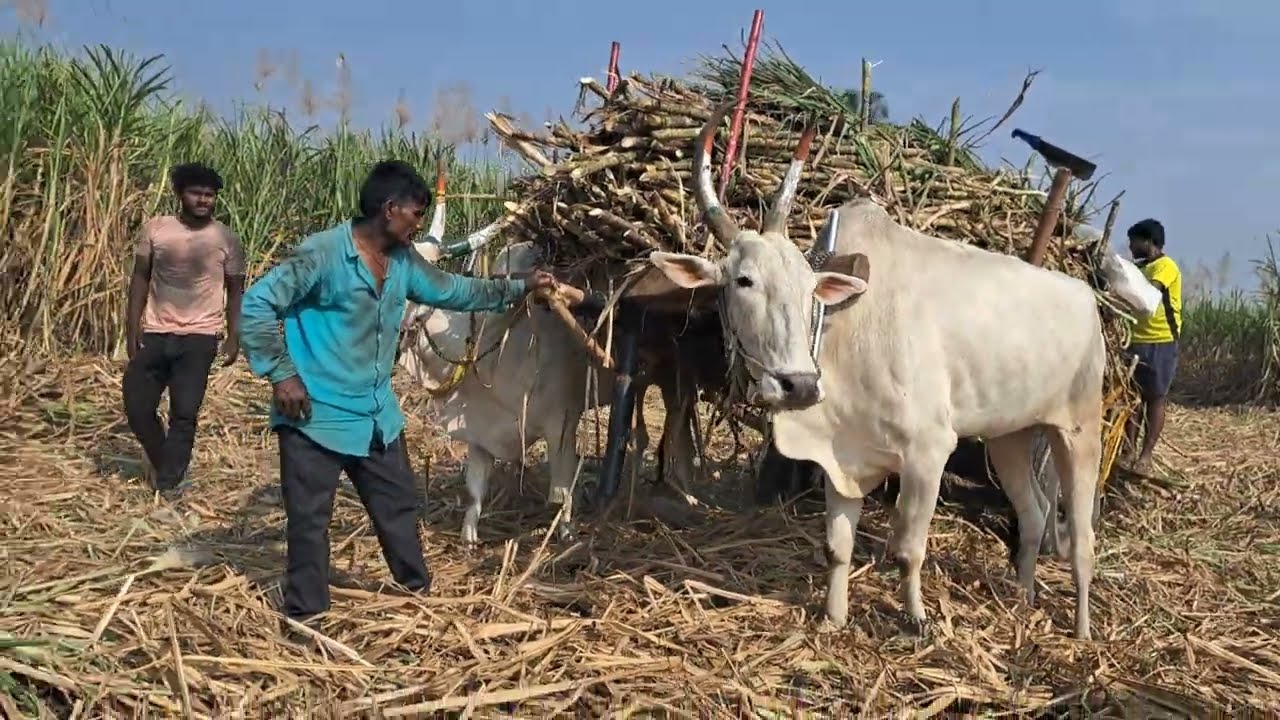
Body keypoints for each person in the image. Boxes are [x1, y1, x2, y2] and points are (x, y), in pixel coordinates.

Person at [238, 159, 560, 631]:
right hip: (315, 414)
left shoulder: (404, 263)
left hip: (375, 415)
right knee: (309, 521)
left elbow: (455, 290)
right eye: (415, 214)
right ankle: (306, 616)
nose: (418, 224)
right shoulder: (322, 255)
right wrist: (282, 375)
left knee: (398, 505)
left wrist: (518, 286)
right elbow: (256, 304)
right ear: (390, 209)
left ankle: (416, 592)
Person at [123, 162, 244, 500]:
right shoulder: (157, 229)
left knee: (184, 412)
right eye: (196, 193)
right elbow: (140, 278)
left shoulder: (225, 238)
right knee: (137, 406)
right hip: (156, 331)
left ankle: (169, 484)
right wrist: (131, 329)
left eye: (210, 195)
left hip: (200, 337)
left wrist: (233, 336)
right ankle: (168, 464)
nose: (204, 200)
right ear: (180, 194)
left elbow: (236, 290)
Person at [1123, 217, 1182, 475]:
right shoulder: (1140, 268)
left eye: (1133, 241)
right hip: (1135, 340)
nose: (1130, 246)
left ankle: (1145, 456)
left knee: (1155, 398)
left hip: (1161, 340)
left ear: (1148, 241)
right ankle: (1128, 452)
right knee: (1133, 399)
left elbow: (1147, 295)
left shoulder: (1165, 266)